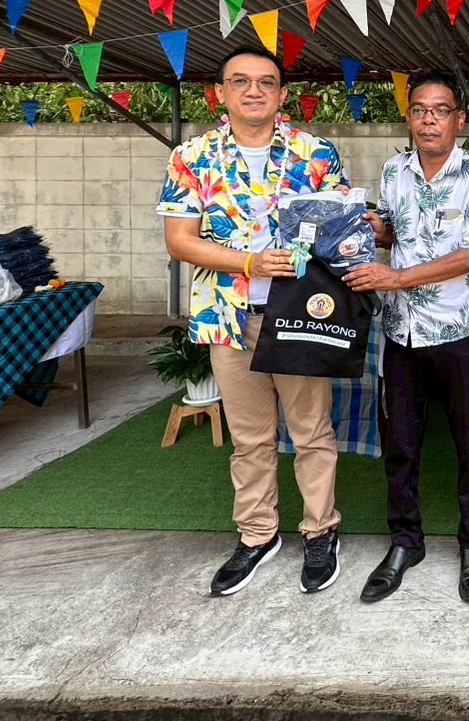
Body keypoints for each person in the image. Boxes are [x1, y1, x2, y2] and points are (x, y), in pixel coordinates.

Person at [157, 44, 348, 597]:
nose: (254, 90)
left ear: (283, 94)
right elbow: (179, 241)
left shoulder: (316, 153)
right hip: (229, 316)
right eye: (240, 81)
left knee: (312, 432)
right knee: (250, 438)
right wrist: (250, 262)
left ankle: (320, 530)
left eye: (266, 81)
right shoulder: (192, 156)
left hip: (301, 315)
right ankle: (258, 535)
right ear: (220, 93)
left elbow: (339, 230)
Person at [343, 70, 469, 604]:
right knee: (401, 445)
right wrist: (366, 225)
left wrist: (394, 278)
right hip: (402, 332)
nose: (428, 119)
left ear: (458, 119)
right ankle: (405, 542)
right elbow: (396, 230)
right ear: (409, 117)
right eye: (419, 110)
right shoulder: (395, 170)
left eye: (440, 110)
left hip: (460, 330)